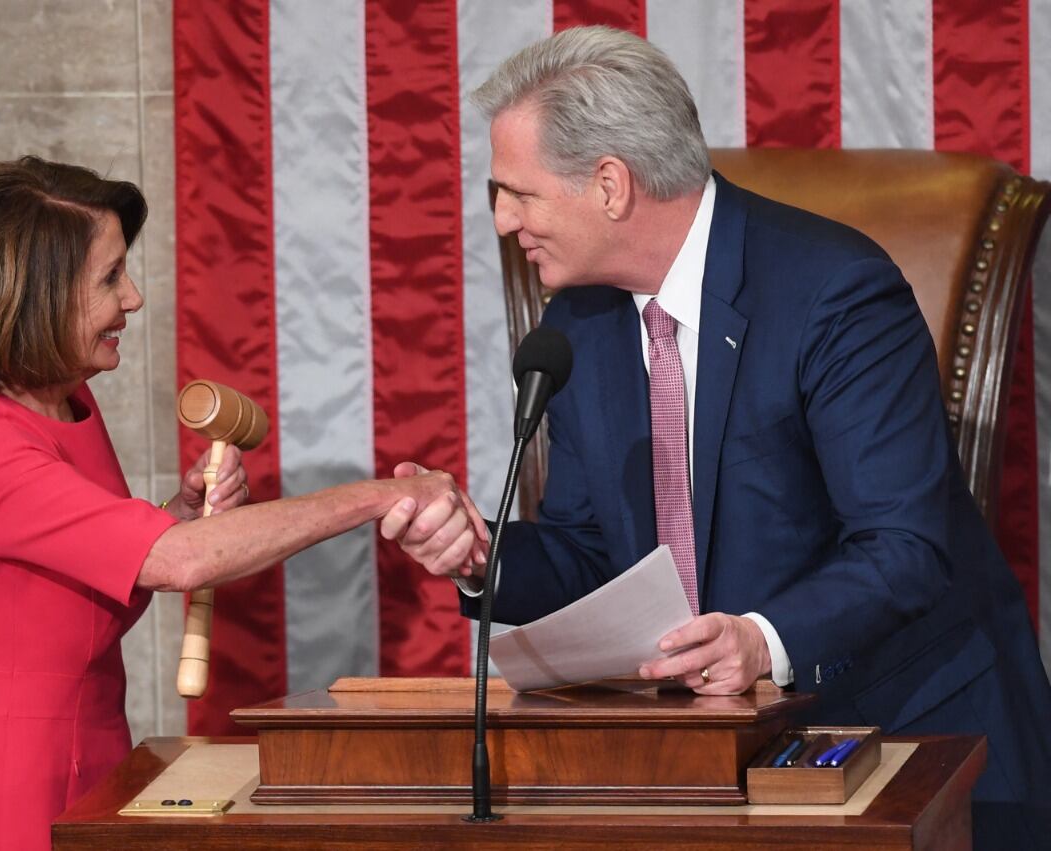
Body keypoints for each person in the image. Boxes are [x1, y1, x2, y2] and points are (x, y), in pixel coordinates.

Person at [383, 26, 1051, 847]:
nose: (500, 218)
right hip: (709, 761)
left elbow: (903, 545)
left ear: (609, 185)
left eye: (517, 192)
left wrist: (761, 640)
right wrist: (481, 554)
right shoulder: (582, 326)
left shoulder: (835, 294)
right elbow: (591, 550)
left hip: (908, 741)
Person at [0, 157, 482, 850]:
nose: (132, 298)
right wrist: (383, 494)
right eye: (109, 278)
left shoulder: (58, 393)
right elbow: (180, 562)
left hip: (89, 757)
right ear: (36, 297)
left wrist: (178, 509)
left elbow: (77, 563)